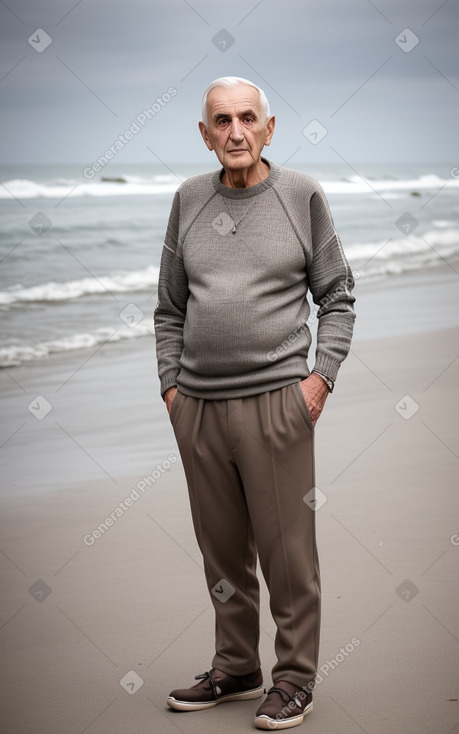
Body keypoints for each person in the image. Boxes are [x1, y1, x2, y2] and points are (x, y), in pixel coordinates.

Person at [154, 75, 356, 730]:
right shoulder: (186, 200)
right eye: (221, 120)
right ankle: (236, 666)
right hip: (199, 409)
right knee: (221, 552)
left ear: (268, 128)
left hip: (278, 403)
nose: (234, 132)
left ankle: (293, 679)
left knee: (287, 554)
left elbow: (338, 297)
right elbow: (168, 309)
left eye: (247, 119)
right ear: (205, 133)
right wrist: (171, 391)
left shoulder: (300, 196)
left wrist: (318, 380)